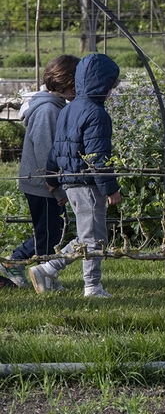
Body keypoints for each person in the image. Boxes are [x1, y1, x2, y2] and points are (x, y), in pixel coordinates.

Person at [27, 53, 123, 298]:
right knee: (94, 239)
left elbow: (56, 149)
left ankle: (48, 269)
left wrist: (52, 177)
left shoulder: (69, 110)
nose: (110, 93)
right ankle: (92, 286)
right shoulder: (97, 114)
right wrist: (110, 188)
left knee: (86, 235)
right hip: (88, 184)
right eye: (109, 87)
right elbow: (98, 157)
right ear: (101, 85)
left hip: (70, 182)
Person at [1, 56, 79, 289]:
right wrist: (57, 186)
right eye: (77, 84)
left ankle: (14, 262)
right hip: (43, 185)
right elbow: (47, 153)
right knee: (49, 236)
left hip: (43, 183)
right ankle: (43, 278)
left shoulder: (51, 106)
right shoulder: (47, 111)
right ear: (66, 82)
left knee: (49, 232)